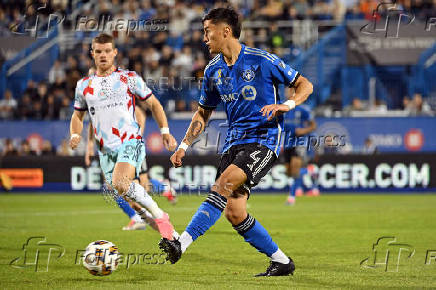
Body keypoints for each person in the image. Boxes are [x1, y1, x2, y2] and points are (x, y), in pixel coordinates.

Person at [159, 7, 313, 276]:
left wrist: (287, 105)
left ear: (225, 31)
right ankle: (282, 262)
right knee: (234, 212)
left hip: (264, 139)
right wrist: (184, 145)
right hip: (233, 143)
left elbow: (305, 85)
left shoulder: (262, 60)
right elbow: (203, 112)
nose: (204, 38)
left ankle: (180, 244)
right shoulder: (213, 71)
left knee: (223, 184)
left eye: (208, 31)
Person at [69, 33, 178, 241]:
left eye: (107, 51)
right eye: (98, 51)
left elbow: (154, 104)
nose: (103, 55)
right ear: (92, 54)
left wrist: (165, 131)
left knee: (121, 182)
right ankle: (174, 239)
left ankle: (160, 214)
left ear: (115, 53)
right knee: (135, 205)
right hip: (106, 151)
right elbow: (78, 115)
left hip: (130, 141)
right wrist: (75, 134)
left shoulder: (128, 78)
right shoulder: (83, 85)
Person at [84, 106, 177, 231]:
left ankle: (141, 214)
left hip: (129, 148)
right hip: (110, 149)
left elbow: (141, 115)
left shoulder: (123, 100)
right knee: (127, 186)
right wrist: (90, 144)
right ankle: (146, 208)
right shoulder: (98, 101)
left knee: (131, 186)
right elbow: (93, 121)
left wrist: (135, 138)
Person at [282, 103, 318, 205]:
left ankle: (292, 197)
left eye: (290, 89)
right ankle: (309, 172)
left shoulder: (303, 109)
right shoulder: (282, 108)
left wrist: (303, 130)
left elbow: (313, 125)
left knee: (295, 167)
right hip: (287, 143)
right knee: (288, 171)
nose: (287, 91)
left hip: (300, 142)